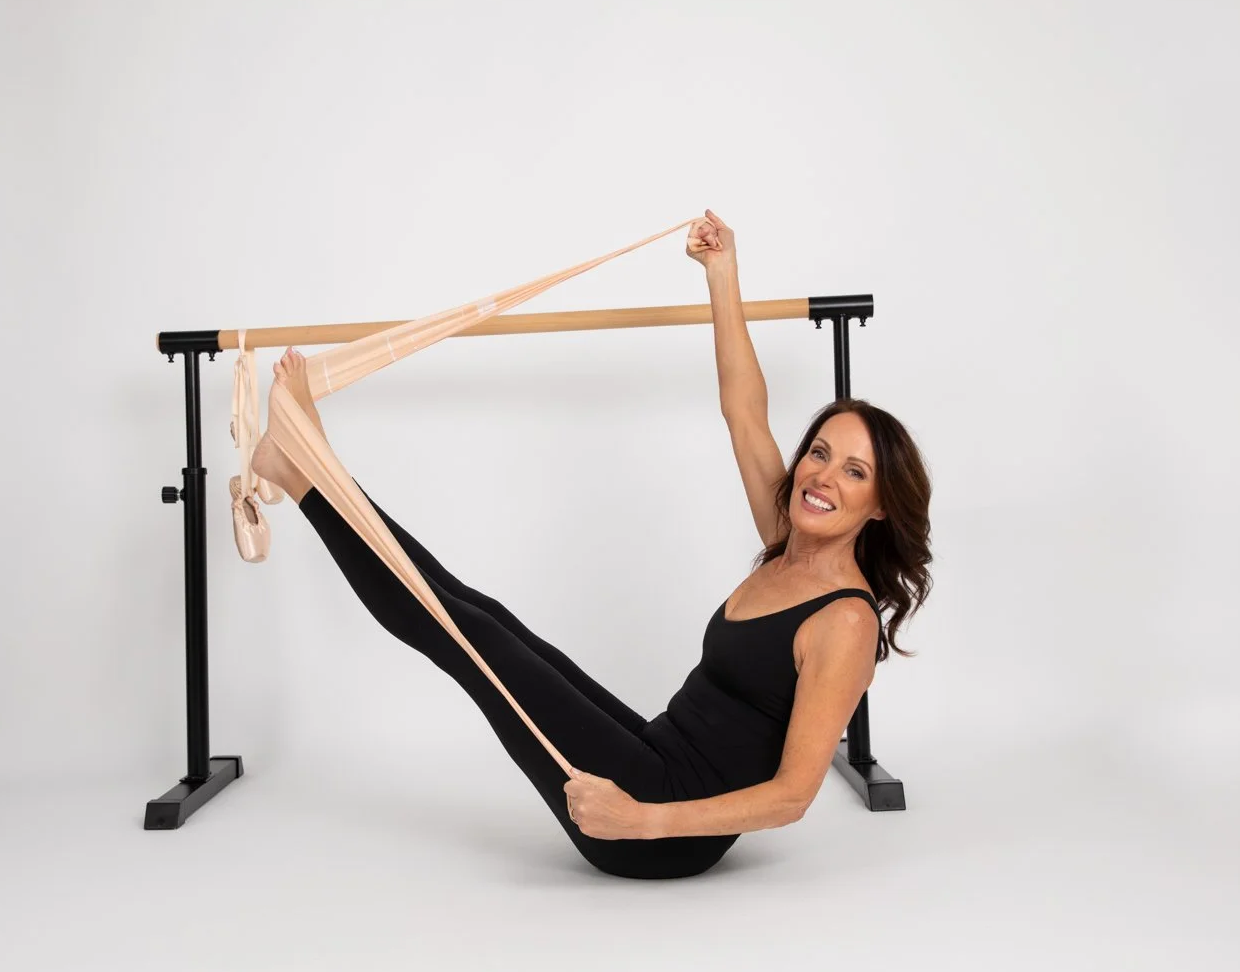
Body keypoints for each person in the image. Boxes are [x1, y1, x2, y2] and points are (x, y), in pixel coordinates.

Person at [248, 210, 933, 879]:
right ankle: (307, 464)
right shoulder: (786, 540)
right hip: (654, 754)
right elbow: (743, 409)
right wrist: (723, 276)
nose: (822, 477)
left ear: (880, 506)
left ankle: (306, 475)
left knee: (469, 637)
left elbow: (792, 797)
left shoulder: (844, 620)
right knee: (484, 616)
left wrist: (640, 821)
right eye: (819, 452)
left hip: (656, 825)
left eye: (855, 472)